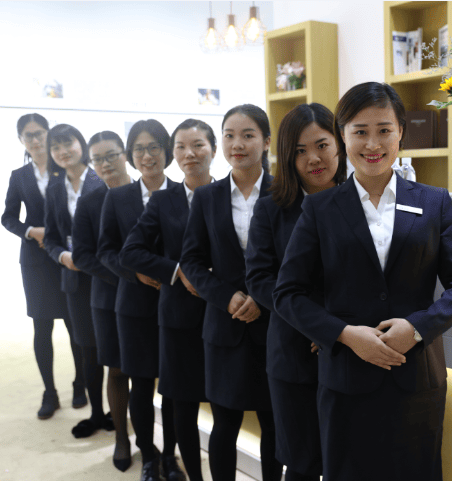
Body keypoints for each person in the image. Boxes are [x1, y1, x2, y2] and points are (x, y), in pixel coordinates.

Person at [273, 82, 452, 481]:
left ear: (401, 131)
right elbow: (287, 294)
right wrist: (345, 334)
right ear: (343, 135)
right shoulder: (320, 208)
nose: (372, 144)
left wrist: (417, 327)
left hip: (416, 378)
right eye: (360, 131)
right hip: (345, 380)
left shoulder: (433, 202)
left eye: (384, 130)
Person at [179, 104, 282, 481]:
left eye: (248, 135)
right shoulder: (207, 197)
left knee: (274, 426)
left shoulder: (285, 192)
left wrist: (261, 298)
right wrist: (226, 297)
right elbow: (191, 261)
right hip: (224, 327)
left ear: (266, 141)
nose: (237, 144)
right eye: (229, 135)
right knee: (224, 425)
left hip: (274, 327)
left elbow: (297, 260)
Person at [246, 103, 345, 481]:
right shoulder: (271, 208)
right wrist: (316, 323)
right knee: (302, 463)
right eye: (300, 151)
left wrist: (336, 326)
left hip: (352, 350)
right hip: (293, 351)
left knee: (348, 460)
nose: (313, 159)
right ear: (287, 157)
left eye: (321, 145)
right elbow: (259, 279)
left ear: (339, 144)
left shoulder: (361, 200)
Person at [120, 119, 216, 481]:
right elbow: (130, 252)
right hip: (178, 317)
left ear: (213, 149)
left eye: (198, 145)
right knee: (182, 404)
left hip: (225, 313)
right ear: (174, 153)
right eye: (181, 146)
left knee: (225, 407)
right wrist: (177, 271)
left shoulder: (227, 193)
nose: (189, 153)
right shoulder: (163, 200)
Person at [97, 119, 184, 481]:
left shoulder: (184, 193)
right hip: (133, 306)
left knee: (175, 388)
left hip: (178, 305)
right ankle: (148, 456)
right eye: (139, 149)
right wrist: (137, 274)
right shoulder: (117, 197)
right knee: (141, 385)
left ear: (167, 151)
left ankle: (171, 456)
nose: (147, 156)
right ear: (131, 155)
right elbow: (105, 251)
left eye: (154, 147)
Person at [1, 113, 82, 420]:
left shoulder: (66, 168)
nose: (35, 140)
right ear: (21, 139)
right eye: (28, 135)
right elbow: (8, 217)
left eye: (39, 133)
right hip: (35, 261)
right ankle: (49, 392)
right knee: (42, 327)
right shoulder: (19, 176)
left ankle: (80, 383)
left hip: (68, 257)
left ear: (48, 134)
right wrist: (29, 231)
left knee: (75, 324)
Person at [42, 123, 111, 440]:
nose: (62, 151)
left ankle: (118, 412)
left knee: (115, 348)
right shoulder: (54, 188)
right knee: (87, 349)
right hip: (74, 279)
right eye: (55, 147)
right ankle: (96, 413)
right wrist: (62, 256)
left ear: (80, 144)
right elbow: (51, 238)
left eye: (67, 143)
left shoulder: (102, 179)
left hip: (107, 275)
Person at [72, 131, 132, 471]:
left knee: (153, 370)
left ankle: (161, 444)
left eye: (111, 155)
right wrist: (126, 276)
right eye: (97, 159)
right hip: (108, 297)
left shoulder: (148, 191)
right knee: (117, 368)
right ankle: (122, 438)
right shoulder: (90, 201)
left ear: (125, 154)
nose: (105, 163)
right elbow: (82, 254)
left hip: (153, 295)